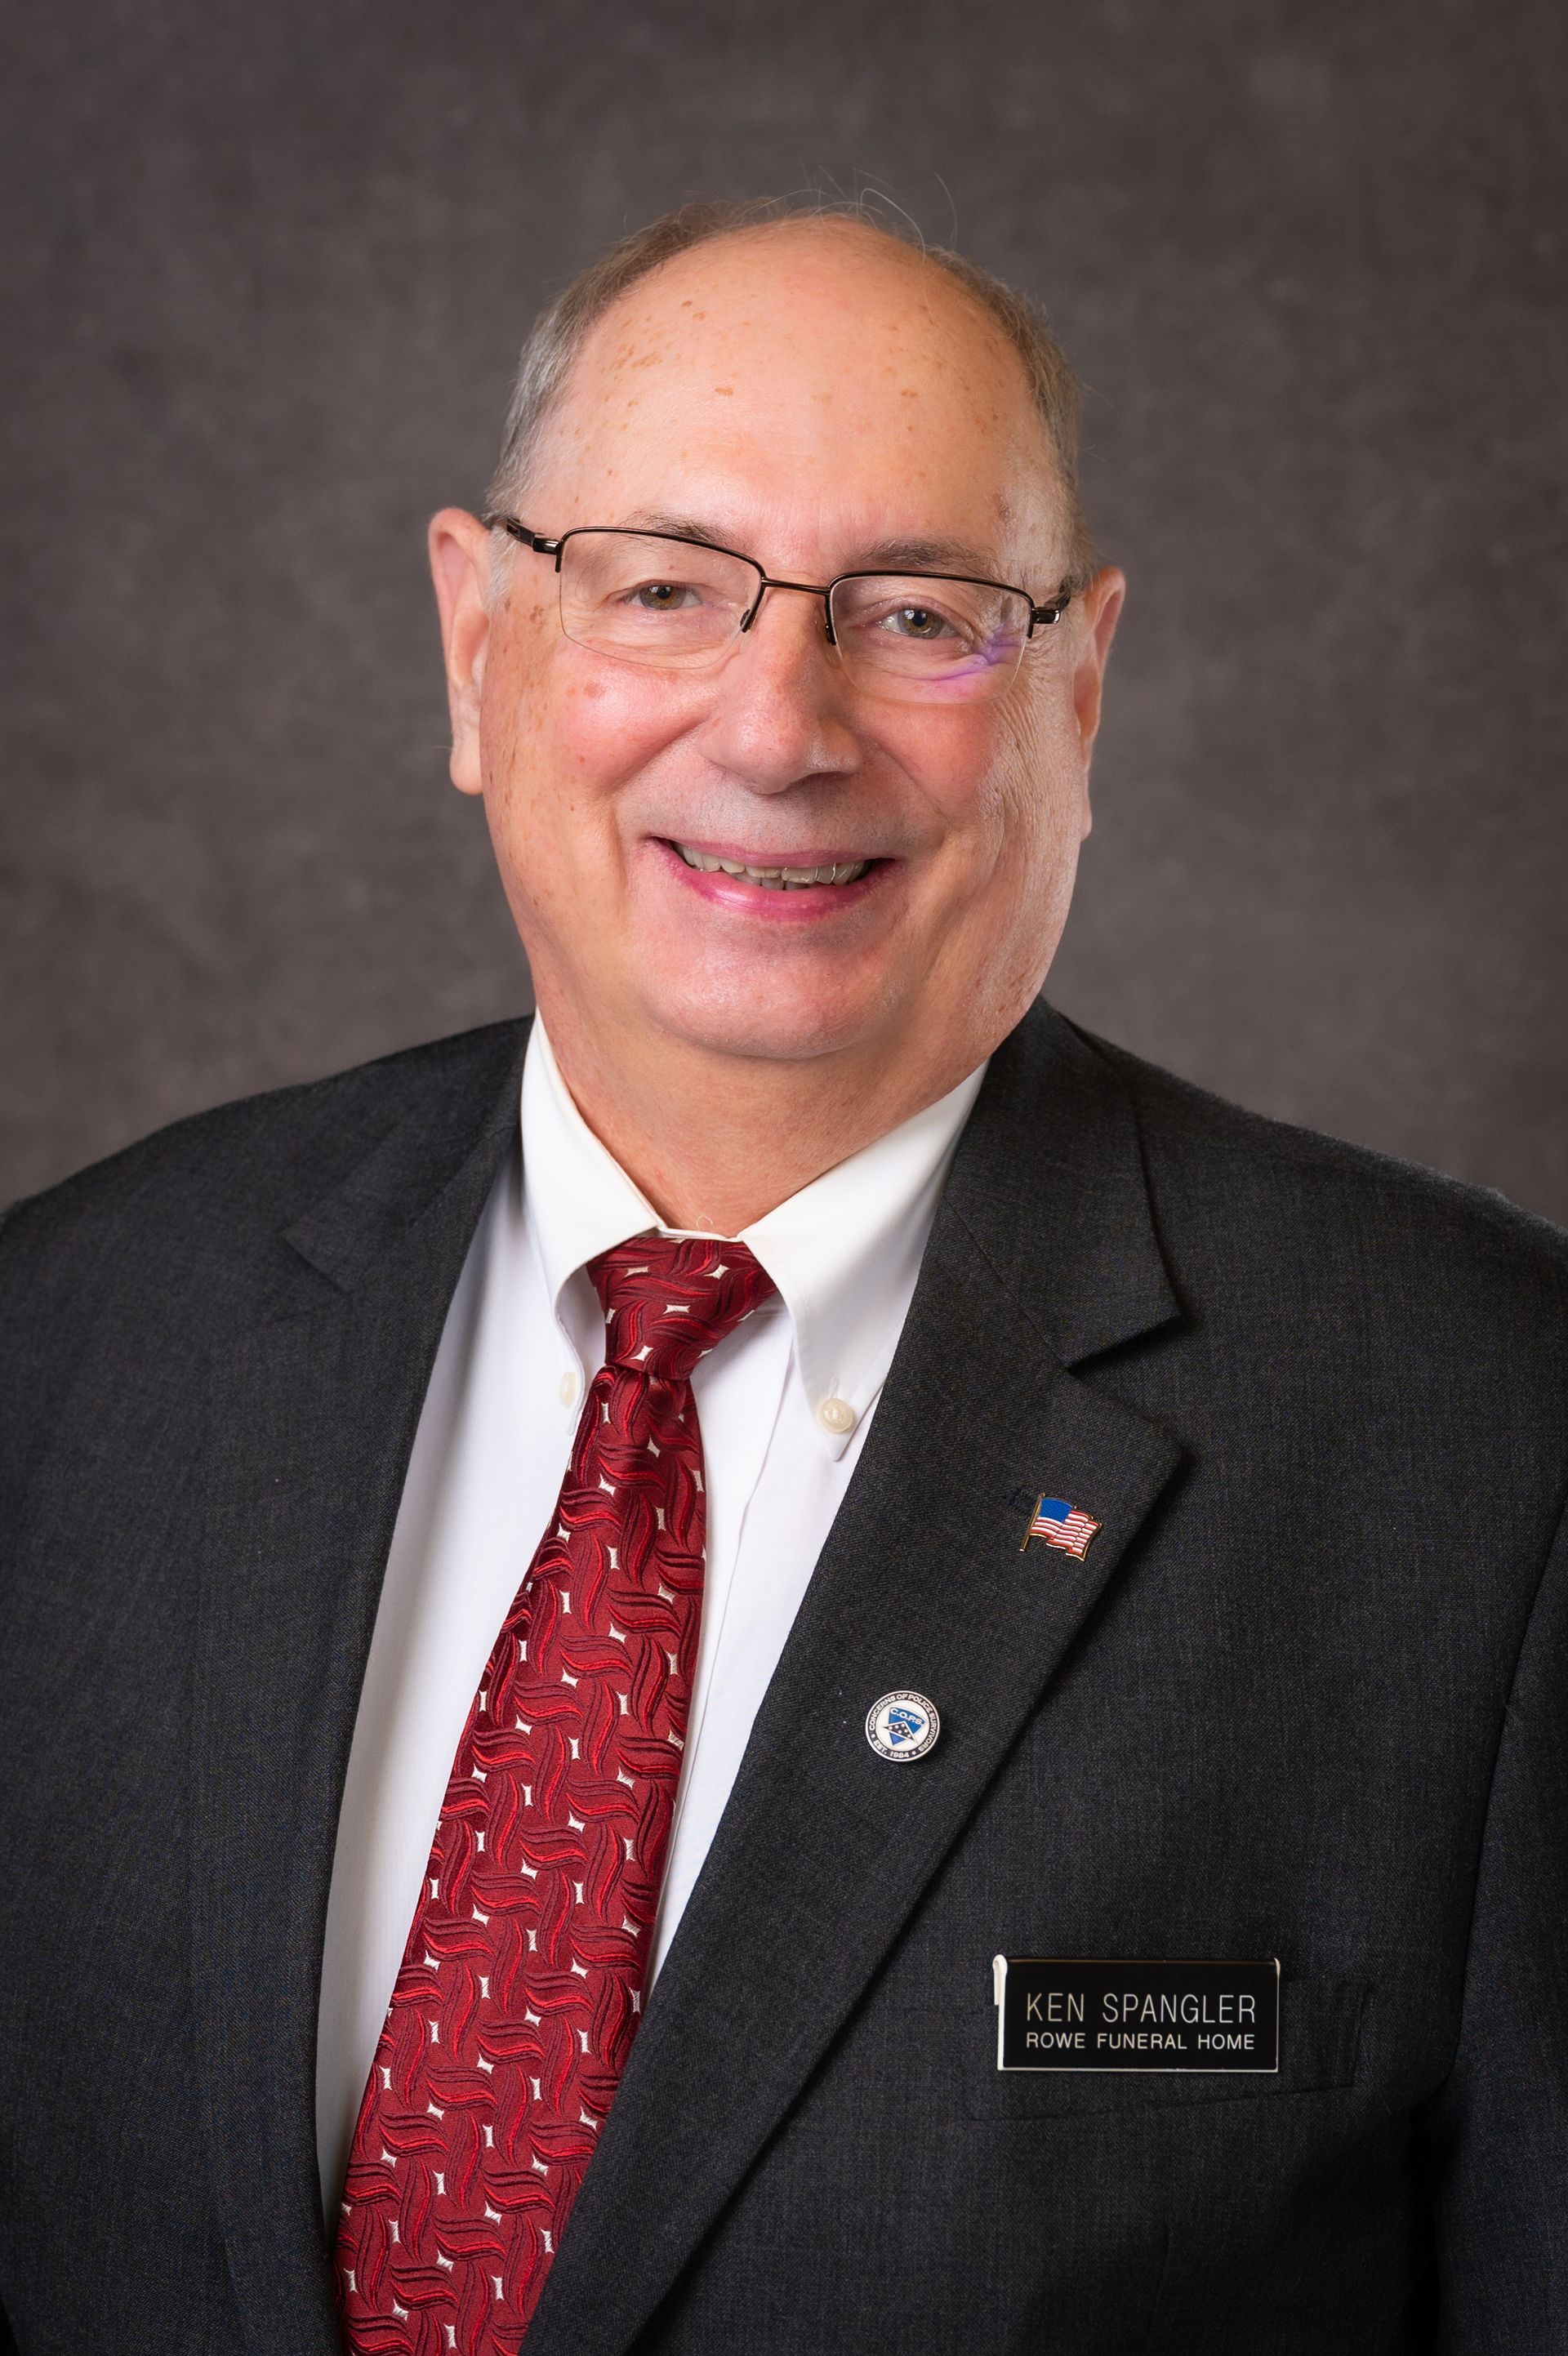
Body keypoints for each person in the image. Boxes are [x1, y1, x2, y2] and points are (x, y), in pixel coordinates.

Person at [1, 197, 1564, 2356]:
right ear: (478, 649)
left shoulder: (1490, 1449)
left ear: (1080, 688)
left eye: (920, 612)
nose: (779, 725)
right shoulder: (61, 1351)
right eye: (663, 590)